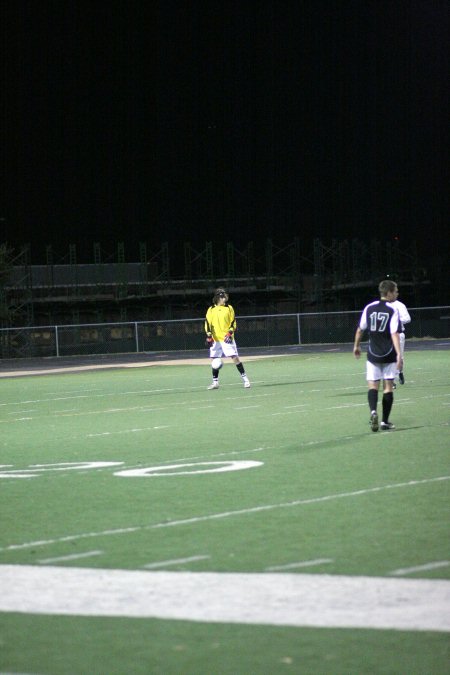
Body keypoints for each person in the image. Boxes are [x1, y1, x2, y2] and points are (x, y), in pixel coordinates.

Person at [353, 279, 403, 431]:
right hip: (388, 353)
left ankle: (373, 412)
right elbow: (394, 333)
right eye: (395, 291)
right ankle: (384, 422)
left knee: (373, 386)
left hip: (373, 353)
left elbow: (360, 329)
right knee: (388, 387)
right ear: (388, 293)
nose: (397, 293)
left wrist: (356, 346)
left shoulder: (369, 308)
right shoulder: (393, 309)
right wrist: (399, 354)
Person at [205, 287, 250, 389]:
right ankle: (215, 382)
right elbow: (207, 323)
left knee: (235, 358)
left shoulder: (229, 308)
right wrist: (209, 335)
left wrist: (230, 333)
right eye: (222, 296)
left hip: (226, 338)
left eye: (224, 296)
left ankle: (246, 380)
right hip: (215, 339)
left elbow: (233, 322)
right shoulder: (211, 309)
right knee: (214, 360)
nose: (224, 298)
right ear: (218, 298)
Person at [390, 291, 411, 385]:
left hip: (398, 333)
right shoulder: (383, 305)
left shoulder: (400, 305)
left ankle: (400, 373)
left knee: (399, 357)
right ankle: (392, 380)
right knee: (389, 357)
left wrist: (396, 319)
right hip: (387, 335)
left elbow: (407, 318)